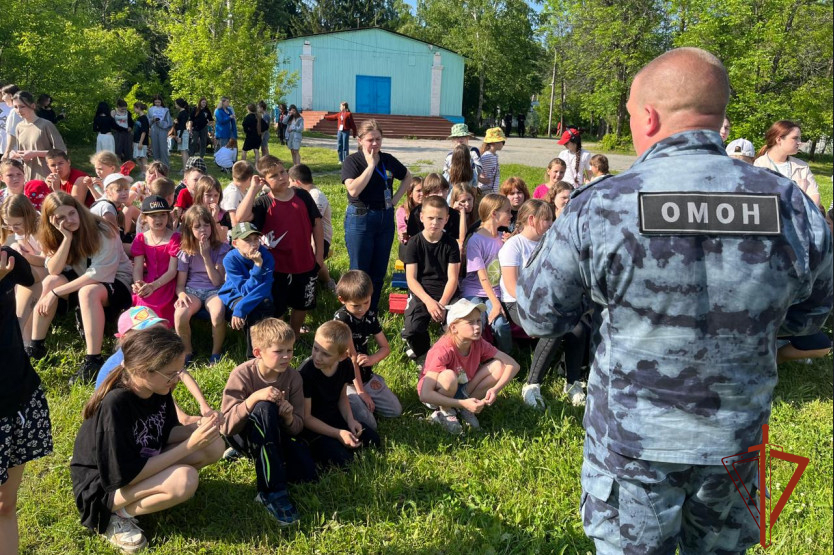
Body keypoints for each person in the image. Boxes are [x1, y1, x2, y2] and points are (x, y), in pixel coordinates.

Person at [516, 47, 833, 553]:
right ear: (718, 114)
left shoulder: (603, 204)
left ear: (648, 116)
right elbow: (812, 316)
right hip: (736, 440)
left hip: (633, 448)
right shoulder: (790, 205)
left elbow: (537, 314)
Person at [70, 327, 224, 553]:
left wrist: (200, 426)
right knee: (184, 480)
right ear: (142, 371)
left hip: (140, 460)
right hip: (104, 487)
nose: (177, 379)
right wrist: (189, 445)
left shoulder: (157, 389)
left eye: (180, 371)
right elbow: (122, 476)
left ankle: (140, 499)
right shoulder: (116, 403)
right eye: (171, 374)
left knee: (215, 445)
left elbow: (164, 431)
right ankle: (117, 515)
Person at [29, 192, 134, 383]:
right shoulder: (57, 233)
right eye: (60, 217)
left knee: (87, 291)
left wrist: (56, 293)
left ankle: (93, 360)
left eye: (71, 213)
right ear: (51, 220)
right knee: (50, 281)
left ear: (78, 210)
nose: (68, 220)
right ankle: (36, 348)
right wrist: (67, 239)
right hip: (83, 275)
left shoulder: (103, 229)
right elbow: (53, 269)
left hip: (117, 280)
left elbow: (99, 275)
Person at [221, 318, 316, 526]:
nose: (286, 356)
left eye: (290, 350)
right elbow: (226, 426)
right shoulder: (242, 374)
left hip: (276, 436)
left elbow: (298, 427)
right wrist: (254, 398)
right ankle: (271, 492)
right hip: (241, 435)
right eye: (279, 351)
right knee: (264, 407)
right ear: (258, 352)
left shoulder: (294, 378)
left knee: (307, 474)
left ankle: (266, 459)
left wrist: (289, 417)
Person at [0, 247, 53, 555]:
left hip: (19, 396)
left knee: (6, 504)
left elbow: (33, 281)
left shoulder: (6, 258)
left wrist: (20, 321)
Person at [236, 155, 322, 335]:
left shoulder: (302, 196)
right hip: (277, 268)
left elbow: (317, 224)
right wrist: (252, 189)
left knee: (302, 303)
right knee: (278, 307)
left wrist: (319, 255)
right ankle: (282, 336)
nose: (281, 177)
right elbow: (240, 218)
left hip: (304, 262)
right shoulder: (263, 202)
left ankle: (296, 333)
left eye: (283, 172)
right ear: (264, 180)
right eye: (274, 176)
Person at [93, 308, 220, 425]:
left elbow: (181, 372)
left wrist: (204, 405)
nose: (156, 337)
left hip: (141, 401)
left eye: (157, 330)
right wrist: (183, 419)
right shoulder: (135, 361)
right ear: (125, 338)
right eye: (148, 333)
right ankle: (174, 417)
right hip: (122, 416)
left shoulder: (149, 353)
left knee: (169, 374)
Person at [418, 298, 520, 434]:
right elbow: (425, 394)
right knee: (449, 377)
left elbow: (513, 364)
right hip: (437, 393)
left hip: (462, 385)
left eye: (478, 320)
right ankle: (445, 411)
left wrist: (495, 389)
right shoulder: (442, 349)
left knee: (499, 366)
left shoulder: (478, 342)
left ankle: (465, 408)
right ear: (453, 328)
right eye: (470, 322)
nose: (477, 326)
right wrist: (462, 403)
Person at [341, 119, 412, 312]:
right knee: (359, 270)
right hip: (361, 217)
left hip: (385, 217)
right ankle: (355, 310)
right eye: (370, 140)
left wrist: (396, 198)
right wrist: (371, 166)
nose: (375, 144)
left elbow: (408, 176)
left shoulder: (387, 159)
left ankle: (372, 310)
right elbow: (353, 191)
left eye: (378, 139)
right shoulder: (352, 161)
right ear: (360, 140)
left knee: (379, 270)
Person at [299, 320, 381, 468]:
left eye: (325, 354)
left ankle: (342, 438)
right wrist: (338, 433)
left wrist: (350, 420)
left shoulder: (346, 365)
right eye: (315, 348)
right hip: (314, 428)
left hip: (335, 418)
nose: (317, 357)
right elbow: (306, 418)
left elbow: (342, 397)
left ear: (342, 356)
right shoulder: (306, 373)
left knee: (374, 440)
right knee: (343, 461)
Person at [333, 270, 400, 431]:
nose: (362, 309)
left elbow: (385, 348)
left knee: (395, 411)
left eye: (366, 302)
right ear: (342, 300)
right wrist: (361, 392)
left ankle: (370, 393)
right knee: (370, 424)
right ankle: (349, 400)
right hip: (346, 381)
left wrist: (371, 359)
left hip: (365, 376)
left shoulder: (370, 315)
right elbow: (352, 360)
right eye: (356, 305)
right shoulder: (342, 321)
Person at [402, 196, 461, 363]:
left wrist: (442, 304)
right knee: (413, 329)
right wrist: (429, 302)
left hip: (446, 292)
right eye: (430, 218)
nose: (435, 222)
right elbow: (411, 279)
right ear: (421, 217)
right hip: (422, 292)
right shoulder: (414, 243)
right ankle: (423, 354)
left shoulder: (451, 244)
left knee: (459, 326)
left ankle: (448, 354)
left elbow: (453, 278)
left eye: (439, 218)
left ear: (446, 219)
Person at [174, 205, 230, 366]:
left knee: (218, 313)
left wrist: (206, 257)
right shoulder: (186, 252)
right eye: (197, 226)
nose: (203, 230)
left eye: (206, 225)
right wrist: (182, 294)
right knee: (180, 314)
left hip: (214, 290)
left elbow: (217, 281)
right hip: (192, 291)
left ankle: (216, 353)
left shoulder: (220, 248)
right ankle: (187, 351)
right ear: (190, 229)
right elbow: (180, 285)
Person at [460, 194, 513, 353]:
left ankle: (506, 356)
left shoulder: (502, 238)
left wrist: (509, 243)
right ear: (494, 214)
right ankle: (478, 357)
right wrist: (495, 304)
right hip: (474, 290)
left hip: (495, 290)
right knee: (479, 321)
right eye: (508, 211)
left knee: (500, 325)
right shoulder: (476, 240)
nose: (511, 215)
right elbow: (482, 277)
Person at [218, 222, 275, 358]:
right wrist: (256, 267)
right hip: (235, 295)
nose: (254, 244)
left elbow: (265, 287)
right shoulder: (230, 259)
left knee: (265, 305)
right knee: (254, 311)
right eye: (247, 240)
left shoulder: (266, 256)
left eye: (256, 239)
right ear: (235, 243)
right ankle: (253, 357)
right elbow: (244, 290)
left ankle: (267, 350)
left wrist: (241, 308)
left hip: (260, 296)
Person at [131, 195, 180, 324]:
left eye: (163, 215)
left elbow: (172, 271)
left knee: (159, 315)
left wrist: (153, 286)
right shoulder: (141, 238)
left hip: (167, 284)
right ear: (144, 218)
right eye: (153, 216)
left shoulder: (174, 238)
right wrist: (138, 283)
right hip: (148, 283)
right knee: (142, 306)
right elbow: (138, 267)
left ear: (168, 216)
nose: (159, 219)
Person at [289, 163, 335, 291]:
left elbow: (314, 225)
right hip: (307, 237)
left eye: (289, 182)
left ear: (296, 182)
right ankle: (327, 282)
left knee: (313, 260)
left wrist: (315, 249)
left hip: (320, 239)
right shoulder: (307, 194)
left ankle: (325, 283)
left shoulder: (316, 196)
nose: (288, 186)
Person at [753, 120, 821, 205]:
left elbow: (814, 196)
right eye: (795, 138)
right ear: (779, 139)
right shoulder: (759, 165)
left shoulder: (802, 166)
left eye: (799, 138)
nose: (799, 142)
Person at [7, 91, 67, 182]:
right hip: (28, 176)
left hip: (48, 176)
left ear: (33, 106)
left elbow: (62, 151)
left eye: (22, 106)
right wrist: (16, 155)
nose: (19, 110)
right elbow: (24, 153)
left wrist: (35, 153)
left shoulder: (46, 125)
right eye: (15, 107)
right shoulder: (19, 127)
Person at [405, 173, 461, 244]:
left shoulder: (453, 214)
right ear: (426, 194)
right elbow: (414, 240)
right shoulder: (416, 213)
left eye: (444, 190)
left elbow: (454, 240)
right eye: (436, 191)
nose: (441, 194)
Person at [443, 123, 484, 192]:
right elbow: (445, 172)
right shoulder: (450, 155)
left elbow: (479, 169)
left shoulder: (473, 151)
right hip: (453, 187)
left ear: (468, 137)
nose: (460, 139)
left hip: (469, 186)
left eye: (463, 136)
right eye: (457, 137)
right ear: (453, 139)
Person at [395, 176, 422, 260]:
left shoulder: (428, 209)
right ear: (410, 193)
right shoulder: (402, 211)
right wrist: (403, 234)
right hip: (409, 245)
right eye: (418, 191)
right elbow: (401, 230)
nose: (422, 193)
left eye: (424, 191)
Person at [220, 160, 254, 225]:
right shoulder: (233, 193)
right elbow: (234, 221)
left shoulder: (243, 190)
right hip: (229, 228)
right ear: (250, 178)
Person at [147, 95, 173, 167]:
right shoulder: (151, 109)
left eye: (159, 102)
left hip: (163, 130)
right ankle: (156, 165)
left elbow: (169, 123)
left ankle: (165, 166)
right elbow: (147, 121)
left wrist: (160, 123)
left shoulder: (165, 110)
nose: (157, 103)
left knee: (163, 148)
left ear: (161, 102)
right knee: (155, 148)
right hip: (154, 129)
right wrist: (152, 119)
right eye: (156, 102)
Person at [479, 128, 505, 195]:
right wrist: (480, 178)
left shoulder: (494, 156)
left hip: (491, 191)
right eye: (502, 142)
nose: (503, 144)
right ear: (494, 143)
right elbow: (477, 170)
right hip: (486, 191)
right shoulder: (487, 156)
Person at [172, 98, 191, 174]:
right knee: (184, 151)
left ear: (179, 104)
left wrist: (179, 136)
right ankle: (186, 168)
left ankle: (185, 169)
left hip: (182, 133)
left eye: (176, 104)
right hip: (181, 132)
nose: (175, 105)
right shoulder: (182, 112)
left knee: (183, 152)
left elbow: (183, 125)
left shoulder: (183, 113)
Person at [132, 102, 150, 174]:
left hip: (142, 141)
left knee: (143, 157)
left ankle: (145, 172)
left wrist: (140, 142)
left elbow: (144, 131)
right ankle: (143, 171)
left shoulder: (144, 118)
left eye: (135, 108)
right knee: (136, 157)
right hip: (136, 140)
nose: (134, 109)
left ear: (138, 108)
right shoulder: (139, 118)